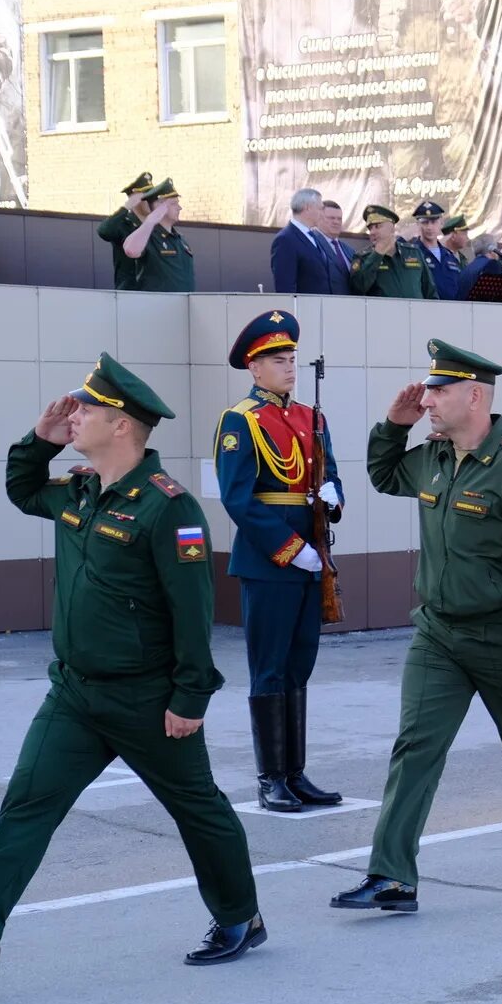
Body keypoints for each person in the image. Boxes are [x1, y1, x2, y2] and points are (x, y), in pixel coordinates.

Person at [0, 356, 265, 974]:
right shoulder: (79, 490)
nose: (72, 416)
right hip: (74, 693)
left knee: (197, 808)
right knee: (28, 801)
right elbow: (23, 490)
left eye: (85, 410)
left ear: (124, 425)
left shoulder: (169, 509)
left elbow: (193, 612)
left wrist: (191, 697)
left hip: (147, 698)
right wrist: (40, 441)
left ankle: (241, 915)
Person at [334, 340, 502, 912]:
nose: (427, 399)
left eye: (438, 390)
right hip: (438, 634)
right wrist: (392, 426)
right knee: (415, 749)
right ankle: (392, 875)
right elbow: (382, 475)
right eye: (427, 390)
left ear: (474, 395)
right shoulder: (434, 456)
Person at [213, 309, 345, 812]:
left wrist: (333, 496)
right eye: (277, 359)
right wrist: (293, 551)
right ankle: (271, 778)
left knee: (299, 664)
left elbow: (328, 473)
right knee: (269, 667)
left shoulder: (312, 417)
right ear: (254, 368)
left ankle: (296, 772)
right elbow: (238, 498)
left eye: (291, 358)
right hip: (271, 558)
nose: (289, 367)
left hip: (313, 548)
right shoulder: (240, 421)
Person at [349, 204, 437, 299]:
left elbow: (430, 291)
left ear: (392, 228)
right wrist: (377, 255)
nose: (372, 232)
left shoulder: (413, 252)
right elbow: (358, 288)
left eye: (378, 226)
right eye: (370, 228)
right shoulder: (363, 257)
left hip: (414, 312)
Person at [122, 179, 195, 292]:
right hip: (158, 306)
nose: (179, 208)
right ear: (159, 206)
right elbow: (131, 250)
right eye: (174, 203)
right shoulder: (148, 235)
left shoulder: (180, 240)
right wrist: (150, 222)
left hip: (183, 306)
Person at [271, 187, 340, 296]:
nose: (323, 214)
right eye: (320, 209)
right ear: (308, 208)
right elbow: (285, 288)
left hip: (322, 307)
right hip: (304, 310)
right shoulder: (285, 239)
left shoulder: (313, 236)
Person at [96, 171, 152, 291]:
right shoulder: (124, 224)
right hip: (130, 293)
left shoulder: (155, 225)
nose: (151, 200)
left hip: (156, 292)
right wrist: (126, 206)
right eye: (146, 197)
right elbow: (104, 231)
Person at [412, 200, 463, 302]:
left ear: (441, 223)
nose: (429, 227)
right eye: (425, 222)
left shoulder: (449, 256)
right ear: (418, 224)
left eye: (433, 222)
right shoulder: (412, 254)